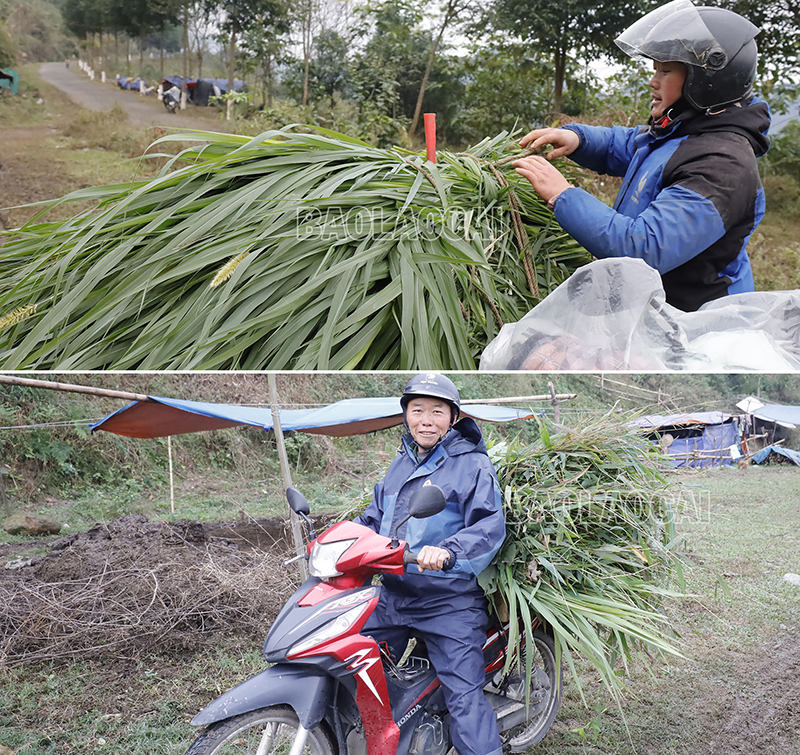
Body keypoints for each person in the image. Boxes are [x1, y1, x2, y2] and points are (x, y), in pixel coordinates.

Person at [513, 0, 771, 313]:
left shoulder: (723, 166)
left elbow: (644, 247)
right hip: (649, 309)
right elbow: (626, 145)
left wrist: (563, 195)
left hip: (692, 327)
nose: (653, 81)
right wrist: (576, 138)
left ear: (704, 83)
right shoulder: (682, 131)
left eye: (665, 71)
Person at [355, 373, 506, 755]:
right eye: (417, 410)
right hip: (393, 594)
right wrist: (340, 538)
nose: (426, 420)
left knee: (463, 695)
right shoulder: (400, 465)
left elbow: (490, 525)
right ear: (405, 414)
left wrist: (450, 551)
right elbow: (374, 518)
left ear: (453, 418)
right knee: (356, 661)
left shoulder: (472, 467)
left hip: (448, 600)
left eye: (437, 412)